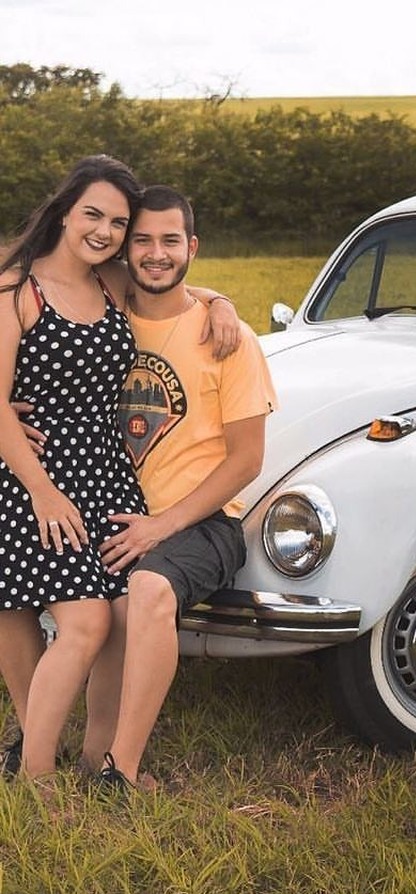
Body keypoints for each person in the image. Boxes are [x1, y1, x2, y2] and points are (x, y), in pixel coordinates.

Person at [0, 156, 240, 780]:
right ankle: (35, 769)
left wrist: (223, 302)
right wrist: (43, 491)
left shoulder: (110, 281)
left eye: (117, 221)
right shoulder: (17, 289)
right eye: (93, 215)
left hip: (104, 471)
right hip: (32, 474)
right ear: (65, 209)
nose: (105, 231)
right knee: (78, 619)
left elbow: (173, 284)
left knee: (117, 610)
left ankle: (88, 755)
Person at [78, 185, 276, 792]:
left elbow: (247, 460)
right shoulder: (101, 317)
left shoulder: (228, 338)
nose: (156, 254)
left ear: (192, 247)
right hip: (113, 511)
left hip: (203, 521)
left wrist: (163, 526)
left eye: (170, 241)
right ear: (124, 251)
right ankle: (70, 751)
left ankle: (124, 770)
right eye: (142, 240)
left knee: (149, 588)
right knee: (95, 611)